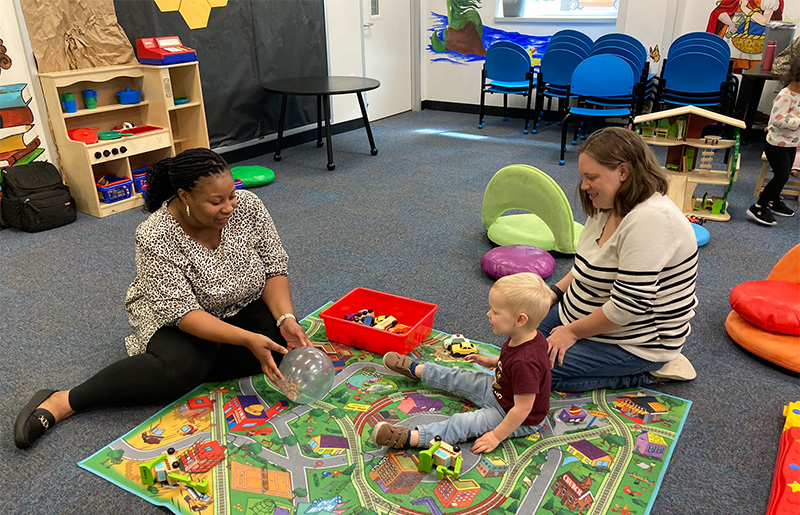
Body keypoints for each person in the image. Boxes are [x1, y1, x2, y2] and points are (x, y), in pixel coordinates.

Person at [14, 148, 311, 450]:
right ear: (184, 196)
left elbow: (274, 267)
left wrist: (285, 318)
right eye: (216, 201)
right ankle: (65, 400)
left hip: (238, 303)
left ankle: (208, 356)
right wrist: (246, 340)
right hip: (177, 318)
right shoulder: (154, 234)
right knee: (180, 369)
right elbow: (182, 312)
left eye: (232, 195)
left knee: (280, 342)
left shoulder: (249, 207)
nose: (229, 207)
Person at [543, 127, 698, 392]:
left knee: (534, 373)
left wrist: (571, 332)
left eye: (592, 177)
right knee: (518, 342)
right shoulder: (607, 203)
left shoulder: (651, 220)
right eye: (583, 177)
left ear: (623, 172)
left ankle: (645, 374)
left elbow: (628, 306)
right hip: (585, 317)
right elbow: (586, 265)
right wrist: (554, 292)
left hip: (634, 341)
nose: (583, 186)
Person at [371, 272, 551, 454]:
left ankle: (411, 437)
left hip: (511, 414)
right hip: (500, 390)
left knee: (463, 423)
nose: (488, 314)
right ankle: (416, 370)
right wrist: (492, 361)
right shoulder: (527, 337)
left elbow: (522, 409)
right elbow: (513, 363)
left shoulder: (526, 362)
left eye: (495, 312)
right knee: (461, 377)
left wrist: (496, 436)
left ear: (520, 320)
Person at [747, 44, 800, 225]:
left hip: (791, 144)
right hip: (777, 144)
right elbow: (776, 120)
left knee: (782, 175)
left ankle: (775, 201)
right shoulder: (786, 95)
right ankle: (759, 206)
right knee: (781, 176)